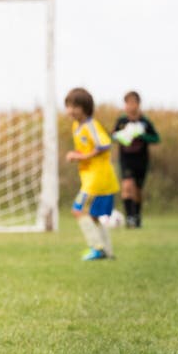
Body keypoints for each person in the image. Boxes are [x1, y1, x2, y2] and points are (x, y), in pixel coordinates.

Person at [64, 87, 119, 260]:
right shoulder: (76, 126)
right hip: (91, 177)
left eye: (75, 106)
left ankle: (97, 248)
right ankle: (108, 252)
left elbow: (104, 145)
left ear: (85, 108)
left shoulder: (90, 125)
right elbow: (88, 148)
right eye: (68, 106)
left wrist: (80, 156)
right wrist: (78, 155)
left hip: (98, 178)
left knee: (78, 210)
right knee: (93, 216)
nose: (71, 110)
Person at [112, 91, 160, 228]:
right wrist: (121, 135)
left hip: (141, 160)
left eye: (132, 102)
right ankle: (129, 218)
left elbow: (156, 138)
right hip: (126, 159)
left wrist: (142, 135)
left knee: (137, 190)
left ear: (138, 104)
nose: (129, 106)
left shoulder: (144, 122)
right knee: (127, 186)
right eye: (127, 103)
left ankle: (137, 217)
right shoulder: (122, 121)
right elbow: (112, 137)